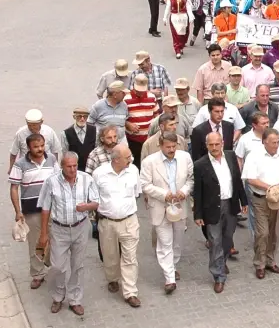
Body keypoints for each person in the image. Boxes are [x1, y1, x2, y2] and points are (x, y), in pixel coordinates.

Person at [37, 152, 96, 316]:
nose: (72, 169)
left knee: (77, 265)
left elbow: (96, 202)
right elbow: (45, 208)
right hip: (59, 229)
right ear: (62, 166)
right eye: (69, 166)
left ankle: (75, 299)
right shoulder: (51, 181)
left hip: (81, 227)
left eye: (75, 166)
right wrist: (43, 234)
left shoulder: (87, 179)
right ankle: (57, 296)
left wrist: (87, 207)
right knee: (57, 266)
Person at [139, 133, 194, 295]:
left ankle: (173, 265)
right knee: (165, 242)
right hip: (160, 207)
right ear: (160, 146)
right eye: (168, 147)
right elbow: (144, 184)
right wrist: (163, 194)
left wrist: (184, 191)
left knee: (178, 241)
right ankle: (169, 278)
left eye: (174, 146)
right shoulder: (149, 162)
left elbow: (191, 179)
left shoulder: (185, 157)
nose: (171, 150)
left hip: (179, 206)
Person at [193, 131, 246, 293]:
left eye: (217, 144)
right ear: (206, 145)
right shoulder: (200, 165)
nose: (214, 147)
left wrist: (243, 201)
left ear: (222, 143)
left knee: (228, 239)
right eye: (211, 145)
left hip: (230, 204)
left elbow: (237, 180)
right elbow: (198, 192)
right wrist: (198, 214)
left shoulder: (230, 157)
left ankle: (221, 262)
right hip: (212, 208)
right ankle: (218, 276)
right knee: (215, 241)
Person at [93, 145, 142, 307]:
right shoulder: (99, 174)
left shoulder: (133, 170)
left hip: (129, 221)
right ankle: (113, 279)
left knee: (130, 258)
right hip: (107, 223)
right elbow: (93, 197)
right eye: (127, 157)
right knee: (110, 256)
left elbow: (137, 193)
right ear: (115, 160)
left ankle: (130, 292)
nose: (131, 160)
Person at [9, 132, 56, 289]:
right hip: (32, 210)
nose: (40, 149)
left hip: (52, 208)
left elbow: (58, 181)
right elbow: (14, 188)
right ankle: (37, 273)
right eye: (36, 146)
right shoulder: (20, 164)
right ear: (29, 148)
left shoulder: (52, 160)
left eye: (42, 145)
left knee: (53, 239)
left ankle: (48, 262)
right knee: (36, 242)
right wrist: (18, 211)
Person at [246, 130, 279, 279]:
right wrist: (269, 188)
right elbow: (250, 179)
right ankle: (259, 264)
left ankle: (270, 260)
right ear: (264, 142)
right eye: (273, 142)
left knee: (275, 231)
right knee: (263, 233)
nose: (276, 145)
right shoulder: (254, 155)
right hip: (261, 198)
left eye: (278, 142)